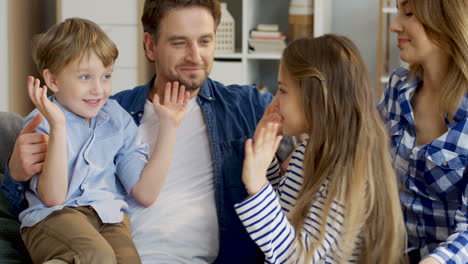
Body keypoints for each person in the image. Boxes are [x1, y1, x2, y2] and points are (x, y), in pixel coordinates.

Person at [1, 0, 273, 263]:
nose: (195, 55)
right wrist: (15, 174)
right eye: (180, 42)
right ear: (150, 46)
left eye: (205, 41)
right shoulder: (109, 111)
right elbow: (35, 207)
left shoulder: (246, 107)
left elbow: (309, 132)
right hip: (103, 248)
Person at [18, 17, 190, 264]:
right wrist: (58, 127)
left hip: (109, 219)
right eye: (85, 77)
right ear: (53, 80)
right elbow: (53, 198)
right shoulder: (41, 121)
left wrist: (169, 126)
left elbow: (145, 193)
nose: (99, 89)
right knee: (96, 255)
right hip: (54, 218)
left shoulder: (117, 119)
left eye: (106, 76)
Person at [235, 35, 407, 263]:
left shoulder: (346, 174)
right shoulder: (306, 152)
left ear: (314, 99)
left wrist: (257, 185)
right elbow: (285, 214)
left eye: (283, 90)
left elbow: (297, 257)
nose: (274, 101)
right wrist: (266, 166)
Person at [378, 0, 468, 263]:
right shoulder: (398, 87)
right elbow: (363, 150)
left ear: (445, 21)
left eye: (408, 14)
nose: (395, 26)